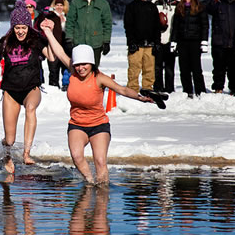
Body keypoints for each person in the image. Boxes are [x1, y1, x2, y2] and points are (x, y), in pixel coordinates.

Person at [40, 18, 152, 184]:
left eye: (84, 64)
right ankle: (91, 183)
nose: (81, 68)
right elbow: (60, 52)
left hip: (99, 125)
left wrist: (140, 97)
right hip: (77, 124)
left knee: (100, 161)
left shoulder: (99, 78)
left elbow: (121, 89)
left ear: (92, 63)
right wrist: (48, 31)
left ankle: (102, 195)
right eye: (78, 64)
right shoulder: (73, 72)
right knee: (77, 157)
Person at [0, 0, 54, 173]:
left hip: (31, 89)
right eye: (17, 27)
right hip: (10, 92)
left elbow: (52, 57)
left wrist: (49, 34)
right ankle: (7, 155)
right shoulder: (5, 42)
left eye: (24, 27)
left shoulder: (36, 40)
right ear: (13, 27)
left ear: (28, 26)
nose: (20, 31)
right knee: (9, 139)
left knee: (31, 109)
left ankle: (26, 153)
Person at [170, 0, 209, 98]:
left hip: (195, 42)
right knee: (184, 69)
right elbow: (175, 27)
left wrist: (204, 41)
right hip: (182, 42)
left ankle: (200, 91)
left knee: (196, 69)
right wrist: (174, 41)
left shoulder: (199, 7)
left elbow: (205, 26)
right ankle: (187, 91)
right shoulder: (179, 8)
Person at [123, 0, 161, 92]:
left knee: (149, 69)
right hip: (136, 44)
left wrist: (157, 42)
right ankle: (132, 89)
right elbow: (128, 26)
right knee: (134, 68)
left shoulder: (152, 7)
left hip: (150, 44)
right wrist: (131, 42)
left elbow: (156, 27)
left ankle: (147, 88)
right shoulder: (131, 7)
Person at [66, 0, 113, 67]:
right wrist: (69, 39)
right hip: (79, 42)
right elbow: (70, 22)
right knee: (79, 69)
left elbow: (107, 24)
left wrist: (106, 41)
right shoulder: (75, 3)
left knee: (94, 69)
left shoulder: (103, 4)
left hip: (95, 43)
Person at [152, 0, 180, 93]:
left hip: (171, 39)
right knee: (157, 67)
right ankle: (158, 88)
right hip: (159, 40)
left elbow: (179, 22)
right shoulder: (155, 2)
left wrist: (176, 40)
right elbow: (152, 21)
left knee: (169, 67)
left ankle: (169, 89)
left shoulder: (177, 3)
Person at [36, 0, 70, 89]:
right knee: (53, 66)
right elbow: (40, 21)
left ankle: (66, 84)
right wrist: (44, 13)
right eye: (57, 5)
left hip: (66, 45)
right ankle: (53, 84)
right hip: (53, 44)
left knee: (66, 66)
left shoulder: (67, 16)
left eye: (61, 5)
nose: (59, 7)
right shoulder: (50, 15)